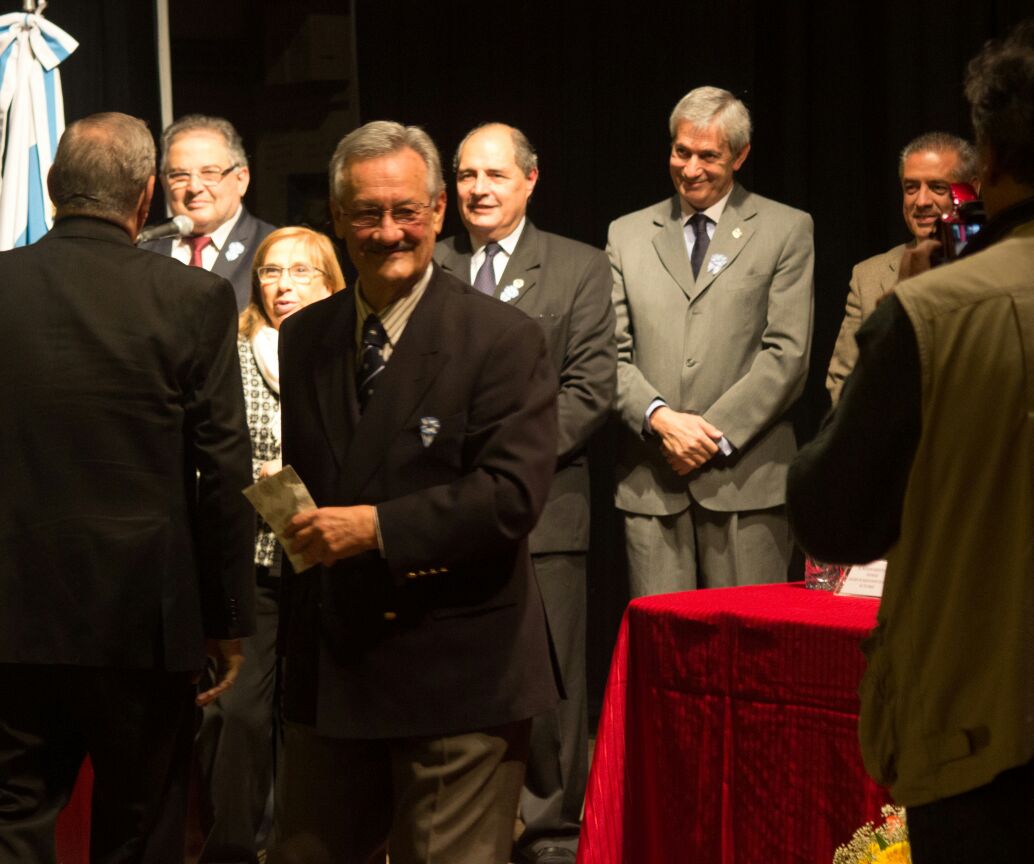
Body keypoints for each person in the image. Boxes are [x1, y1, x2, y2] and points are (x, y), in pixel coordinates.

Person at [269, 121, 559, 864]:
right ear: (336, 220)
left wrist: (375, 529)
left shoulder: (501, 337)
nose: (389, 232)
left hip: (460, 677)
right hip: (332, 674)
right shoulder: (305, 337)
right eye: (367, 213)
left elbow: (510, 497)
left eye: (407, 211)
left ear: (438, 211)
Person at [787, 20, 1034, 863]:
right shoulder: (894, 286)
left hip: (983, 724)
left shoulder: (934, 311)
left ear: (988, 164)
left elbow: (832, 512)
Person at [0, 112, 254, 863]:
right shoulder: (195, 299)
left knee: (10, 825)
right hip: (145, 620)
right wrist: (229, 616)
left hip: (10, 617)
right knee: (139, 832)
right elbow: (224, 468)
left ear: (52, 187)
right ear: (146, 196)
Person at [434, 122, 615, 864]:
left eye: (495, 175)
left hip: (544, 513)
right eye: (466, 174)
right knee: (454, 680)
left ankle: (550, 838)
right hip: (443, 514)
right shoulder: (432, 265)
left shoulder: (579, 266)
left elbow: (592, 388)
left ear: (530, 181)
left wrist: (506, 463)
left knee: (551, 691)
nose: (478, 188)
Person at [609, 86, 814, 597]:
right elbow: (608, 352)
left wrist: (708, 436)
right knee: (664, 658)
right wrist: (661, 421)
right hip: (653, 483)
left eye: (709, 155)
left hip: (746, 482)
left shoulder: (787, 229)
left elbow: (787, 355)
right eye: (682, 152)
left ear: (740, 156)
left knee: (751, 659)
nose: (691, 168)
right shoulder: (626, 234)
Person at [194, 227, 344, 863]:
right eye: (271, 272)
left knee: (310, 717)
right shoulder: (232, 349)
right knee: (240, 718)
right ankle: (231, 850)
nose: (283, 285)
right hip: (254, 563)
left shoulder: (347, 351)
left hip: (330, 565)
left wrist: (282, 478)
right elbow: (217, 452)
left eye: (302, 272)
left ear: (330, 280)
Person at [825, 132, 978, 402]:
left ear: (972, 190)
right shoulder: (868, 276)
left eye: (937, 187)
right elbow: (842, 380)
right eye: (911, 188)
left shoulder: (996, 264)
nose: (921, 201)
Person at [142, 114, 275, 312]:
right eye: (179, 175)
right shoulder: (142, 248)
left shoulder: (272, 246)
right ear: (163, 183)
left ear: (241, 180)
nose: (194, 187)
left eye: (210, 173)